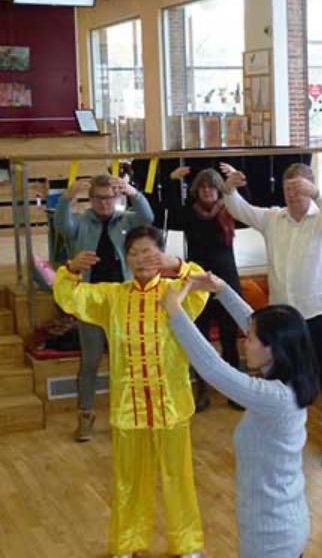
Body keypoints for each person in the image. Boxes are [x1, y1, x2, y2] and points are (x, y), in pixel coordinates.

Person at [53, 226, 208, 558]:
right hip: (129, 407)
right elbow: (71, 296)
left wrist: (175, 264)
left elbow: (203, 283)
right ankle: (128, 542)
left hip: (171, 405)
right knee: (128, 482)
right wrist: (71, 269)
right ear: (125, 257)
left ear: (160, 254)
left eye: (149, 251)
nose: (142, 259)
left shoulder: (175, 292)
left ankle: (187, 544)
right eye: (135, 252)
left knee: (177, 477)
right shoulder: (112, 296)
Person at [163, 272, 317, 558]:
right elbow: (257, 324)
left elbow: (213, 369)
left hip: (272, 536)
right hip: (279, 524)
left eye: (251, 338)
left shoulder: (275, 397)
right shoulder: (290, 374)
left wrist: (175, 312)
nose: (245, 342)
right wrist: (221, 290)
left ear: (272, 349)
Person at [223, 163, 322, 467]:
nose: (293, 194)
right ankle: (284, 433)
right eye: (288, 188)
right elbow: (239, 208)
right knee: (282, 377)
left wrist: (317, 193)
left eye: (300, 188)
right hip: (285, 317)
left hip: (319, 311)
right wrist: (229, 188)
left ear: (311, 188)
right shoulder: (272, 219)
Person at [54, 173, 154, 442]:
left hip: (124, 300)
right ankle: (85, 416)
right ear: (91, 199)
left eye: (108, 197)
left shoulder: (126, 221)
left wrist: (134, 193)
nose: (103, 203)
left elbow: (148, 218)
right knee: (90, 361)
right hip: (92, 303)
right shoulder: (82, 223)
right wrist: (67, 197)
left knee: (128, 362)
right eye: (98, 198)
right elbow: (62, 225)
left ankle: (128, 414)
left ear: (116, 197)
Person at [170, 165, 243, 411]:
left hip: (226, 280)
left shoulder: (229, 210)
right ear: (196, 191)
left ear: (219, 189)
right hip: (197, 282)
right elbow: (167, 211)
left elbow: (247, 204)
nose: (207, 191)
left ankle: (236, 389)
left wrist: (235, 178)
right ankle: (202, 389)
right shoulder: (189, 214)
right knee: (200, 339)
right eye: (202, 187)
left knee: (229, 337)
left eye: (212, 186)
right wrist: (172, 181)